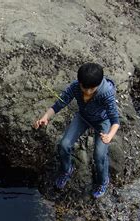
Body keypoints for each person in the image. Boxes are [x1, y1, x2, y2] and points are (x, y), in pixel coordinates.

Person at [34, 63, 120, 198]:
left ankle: (103, 181)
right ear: (79, 82)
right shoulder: (76, 86)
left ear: (97, 86)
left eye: (91, 89)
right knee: (64, 145)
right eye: (83, 88)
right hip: (83, 117)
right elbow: (60, 103)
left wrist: (109, 136)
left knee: (99, 155)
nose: (87, 92)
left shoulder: (106, 93)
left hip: (103, 121)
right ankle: (67, 169)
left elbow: (115, 121)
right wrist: (45, 117)